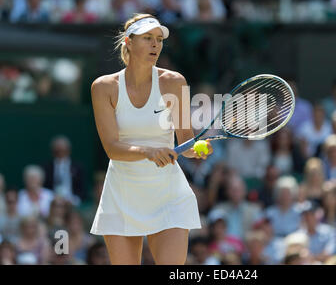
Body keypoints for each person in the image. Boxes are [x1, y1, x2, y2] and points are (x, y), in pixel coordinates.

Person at [89, 13, 213, 265]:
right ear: (129, 42)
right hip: (122, 195)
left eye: (159, 39)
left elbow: (185, 140)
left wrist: (195, 150)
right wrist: (148, 151)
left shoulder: (174, 82)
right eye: (148, 38)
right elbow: (112, 148)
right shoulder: (103, 87)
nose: (155, 45)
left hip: (168, 196)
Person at [209, 174, 261, 240]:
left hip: (247, 247)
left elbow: (258, 233)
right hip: (223, 246)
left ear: (244, 191)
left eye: (238, 190)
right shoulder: (219, 209)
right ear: (227, 191)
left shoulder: (254, 210)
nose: (236, 193)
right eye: (233, 190)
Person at [43, 135, 85, 205]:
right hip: (53, 202)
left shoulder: (78, 167)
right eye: (57, 151)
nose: (61, 154)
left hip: (73, 203)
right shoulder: (46, 168)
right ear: (53, 152)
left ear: (68, 151)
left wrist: (74, 200)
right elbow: (45, 189)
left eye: (63, 151)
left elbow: (82, 190)